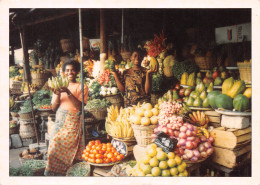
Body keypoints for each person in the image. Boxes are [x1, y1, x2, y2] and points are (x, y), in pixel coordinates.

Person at [44, 59, 88, 176]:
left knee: (70, 149)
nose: (70, 73)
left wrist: (68, 91)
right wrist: (58, 94)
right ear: (63, 72)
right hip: (60, 121)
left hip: (72, 122)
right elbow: (53, 108)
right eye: (67, 70)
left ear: (78, 72)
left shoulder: (81, 87)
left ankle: (68, 172)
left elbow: (79, 107)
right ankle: (53, 171)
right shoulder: (58, 85)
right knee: (53, 146)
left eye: (73, 70)